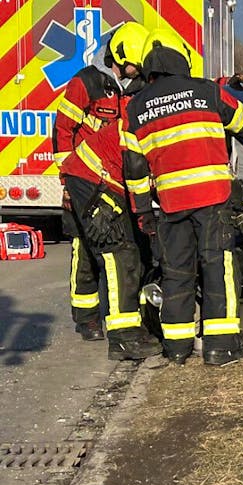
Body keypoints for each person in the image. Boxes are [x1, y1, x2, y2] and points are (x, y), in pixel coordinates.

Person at [123, 28, 243, 366]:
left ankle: (178, 348)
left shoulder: (135, 108)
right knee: (218, 266)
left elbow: (135, 169)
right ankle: (220, 346)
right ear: (182, 65)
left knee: (176, 273)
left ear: (150, 73)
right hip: (213, 197)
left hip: (170, 205)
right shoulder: (207, 91)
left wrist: (143, 211)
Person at [52, 22, 149, 342]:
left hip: (113, 180)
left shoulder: (128, 87)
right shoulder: (86, 82)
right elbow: (63, 129)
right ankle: (87, 318)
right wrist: (66, 178)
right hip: (85, 179)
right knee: (85, 247)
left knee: (118, 247)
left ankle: (122, 312)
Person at [59, 116, 162, 360]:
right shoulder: (155, 119)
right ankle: (123, 338)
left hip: (99, 175)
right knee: (120, 252)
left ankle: (88, 319)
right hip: (94, 177)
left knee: (93, 246)